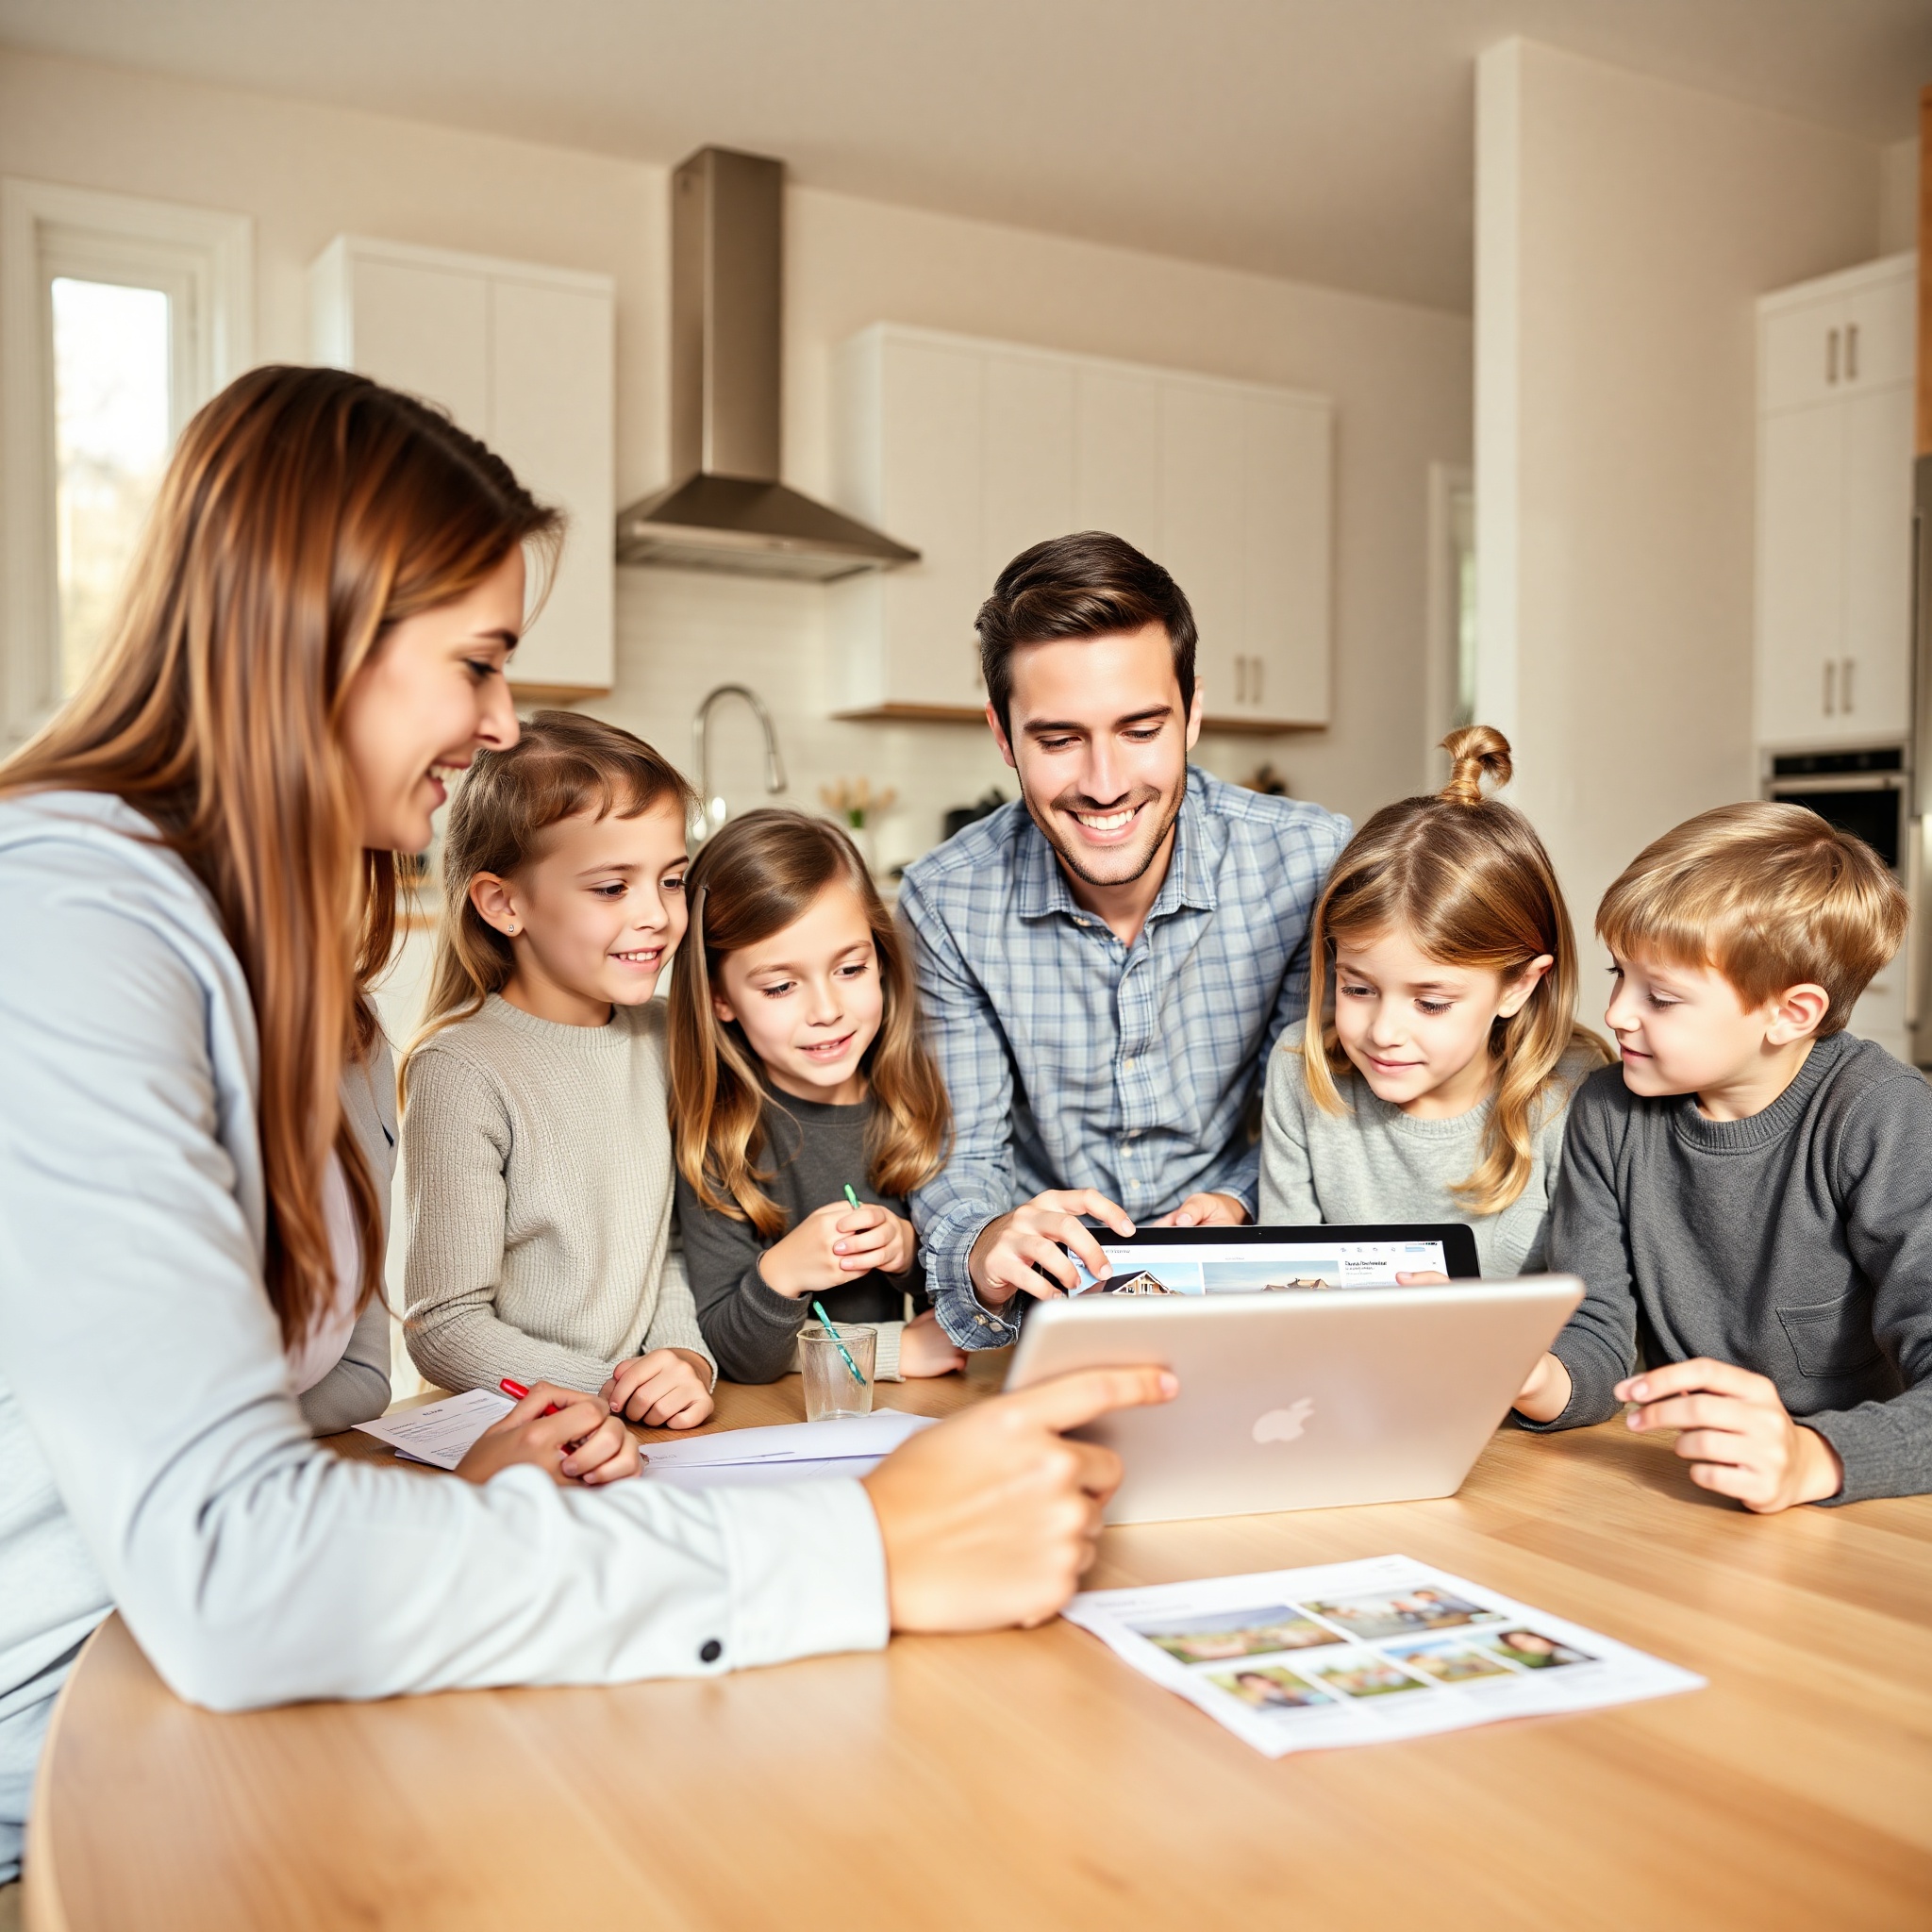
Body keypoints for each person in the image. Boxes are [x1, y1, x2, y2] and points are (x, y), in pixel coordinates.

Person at [0, 365, 1174, 1890]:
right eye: (477, 661)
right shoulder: (62, 925)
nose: (497, 723)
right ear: (316, 635)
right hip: (55, 1782)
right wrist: (864, 1549)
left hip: (180, 1710)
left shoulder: (307, 987)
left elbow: (300, 1428)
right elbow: (232, 1563)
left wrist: (461, 1468)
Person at [898, 531, 1351, 1348]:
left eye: (1141, 730)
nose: (1105, 785)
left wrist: (1246, 1200)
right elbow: (959, 1152)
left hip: (1267, 1292)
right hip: (1052, 1318)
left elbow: (1329, 1108)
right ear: (1003, 737)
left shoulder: (1309, 866)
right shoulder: (946, 900)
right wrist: (988, 1241)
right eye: (1060, 739)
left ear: (1195, 714)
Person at [1516, 803, 1932, 1510]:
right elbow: (1596, 1336)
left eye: (1663, 997)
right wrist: (1528, 1375)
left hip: (1858, 1499)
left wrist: (1813, 1458)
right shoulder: (1608, 1111)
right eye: (1620, 974)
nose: (1615, 1014)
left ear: (1790, 1013)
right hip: (1683, 1484)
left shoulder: (1880, 1115)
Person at [399, 711, 714, 1427]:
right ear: (504, 903)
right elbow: (445, 1326)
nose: (657, 916)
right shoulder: (462, 1069)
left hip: (634, 1422)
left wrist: (682, 1361)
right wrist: (610, 1388)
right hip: (515, 1433)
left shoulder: (666, 1037)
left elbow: (665, 1248)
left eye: (671, 881)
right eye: (612, 888)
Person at [1258, 726, 1609, 1275]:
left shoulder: (1577, 1094)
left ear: (1518, 985)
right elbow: (1285, 1282)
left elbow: (1597, 1319)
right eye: (1357, 988)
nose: (1383, 1032)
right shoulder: (1301, 1072)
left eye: (1432, 1003)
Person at [668, 808, 964, 1383]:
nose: (827, 1011)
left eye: (850, 968)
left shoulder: (916, 1097)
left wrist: (908, 1249)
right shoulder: (722, 1138)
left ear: (881, 959)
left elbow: (971, 1306)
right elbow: (736, 1360)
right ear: (719, 998)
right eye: (780, 986)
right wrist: (782, 1273)